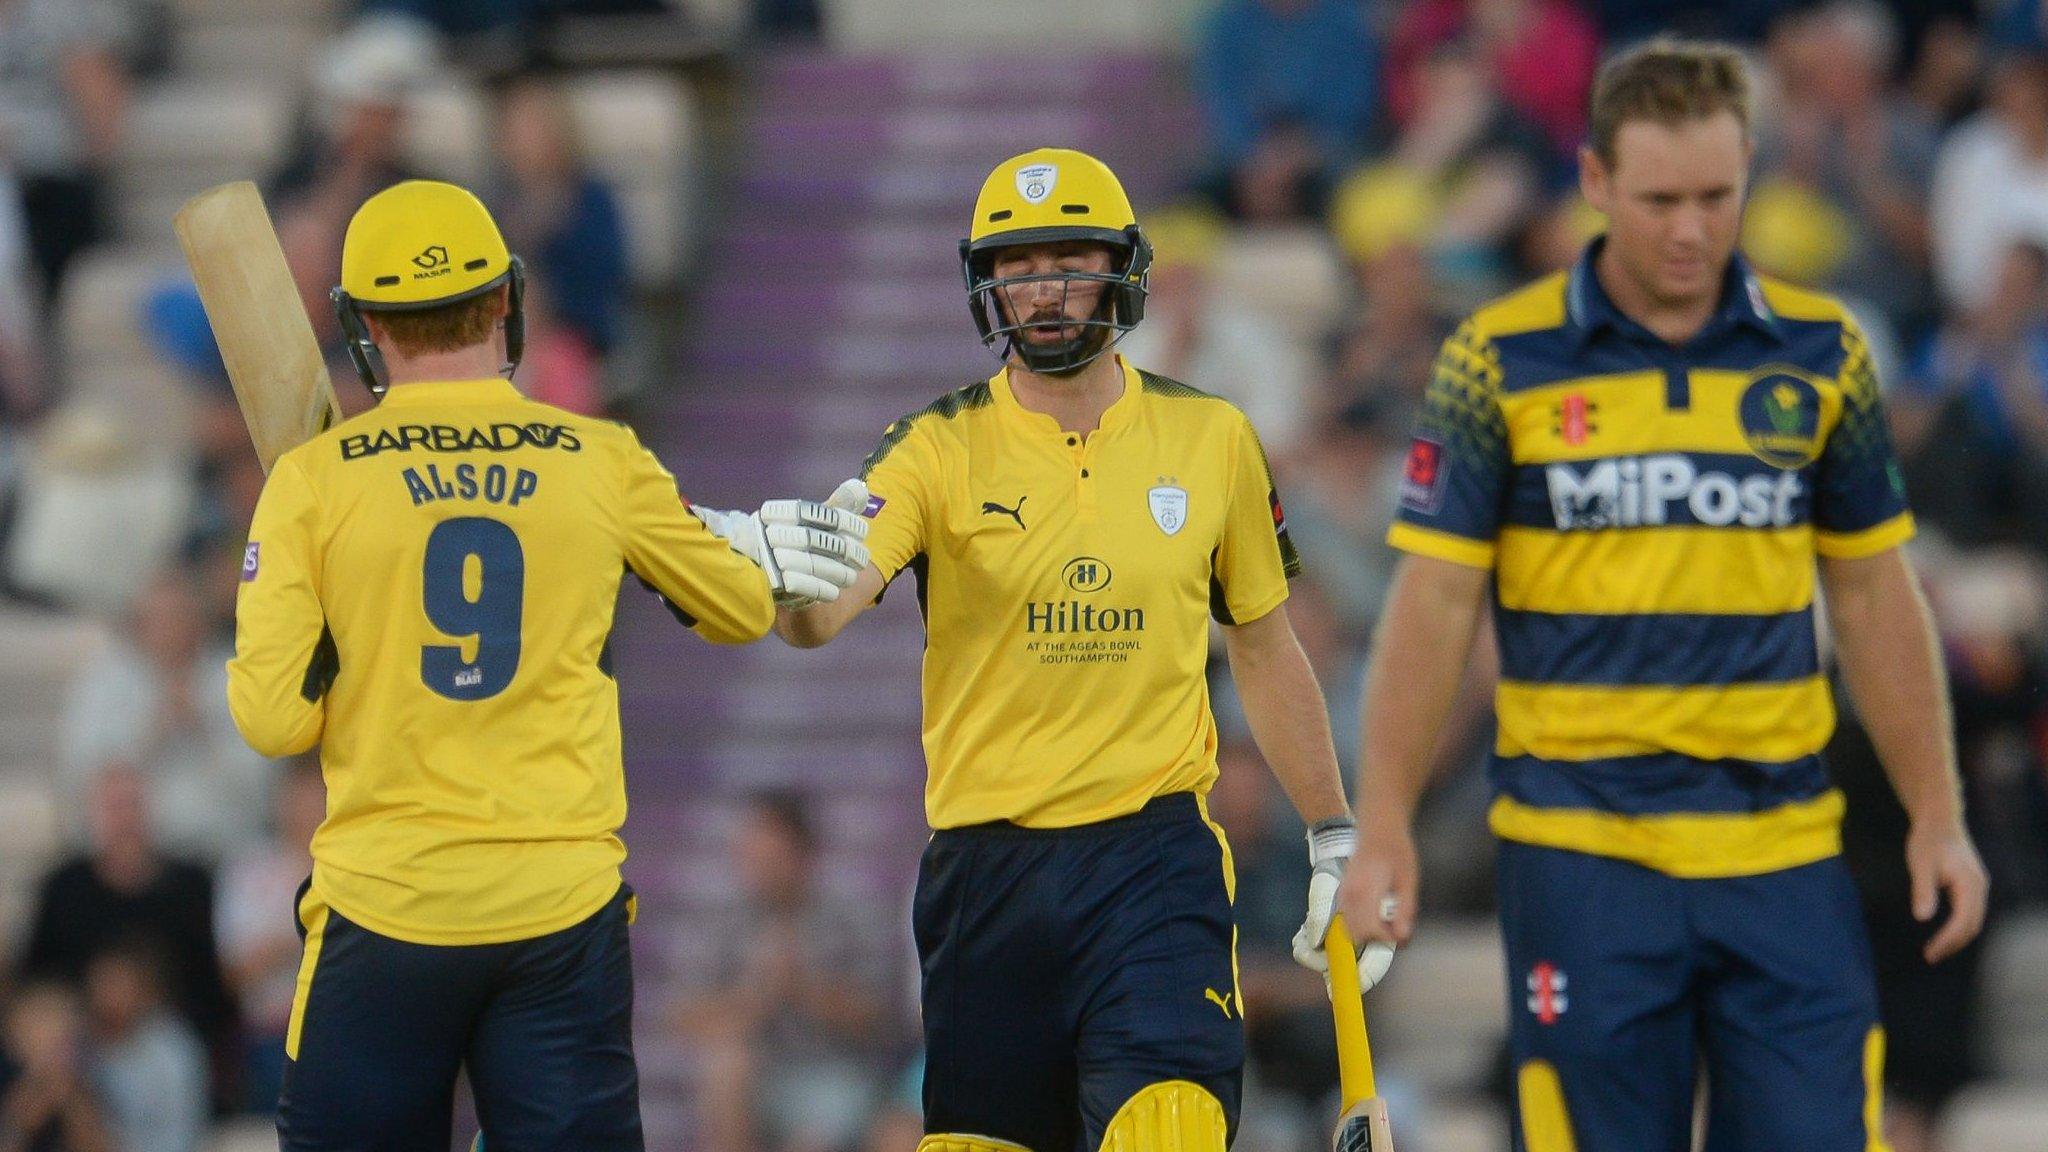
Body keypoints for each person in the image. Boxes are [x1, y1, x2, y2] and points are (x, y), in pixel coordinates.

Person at [1336, 40, 1990, 1152]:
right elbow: (1433, 603)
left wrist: (1936, 813)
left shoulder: (1822, 351)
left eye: (1714, 196)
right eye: (1657, 200)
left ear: (1749, 175)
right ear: (1593, 181)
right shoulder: (1495, 359)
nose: (1688, 229)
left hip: (1780, 853)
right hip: (1581, 856)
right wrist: (1385, 818)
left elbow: (1876, 598)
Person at [224, 179, 866, 1150]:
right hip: (558, 917)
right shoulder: (598, 458)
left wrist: (344, 636)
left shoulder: (312, 483)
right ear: (503, 305)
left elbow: (273, 721)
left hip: (387, 910)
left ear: (367, 328)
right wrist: (731, 541)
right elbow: (739, 610)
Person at [763, 148, 1362, 1152]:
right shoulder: (929, 448)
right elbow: (824, 610)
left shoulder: (1211, 436)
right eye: (1016, 265)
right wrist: (790, 582)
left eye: (1069, 261)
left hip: (1151, 861)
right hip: (983, 879)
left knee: (1170, 1129)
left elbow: (1261, 646)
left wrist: (1331, 830)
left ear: (1123, 267)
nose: (1042, 291)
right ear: (983, 280)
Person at [671, 791, 897, 1152]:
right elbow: (684, 1017)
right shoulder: (724, 921)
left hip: (836, 1075)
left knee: (815, 1136)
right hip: (759, 1075)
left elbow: (880, 1018)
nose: (760, 867)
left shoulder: (849, 918)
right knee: (726, 1064)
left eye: (772, 857)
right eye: (752, 856)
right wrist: (757, 995)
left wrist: (804, 987)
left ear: (803, 855)